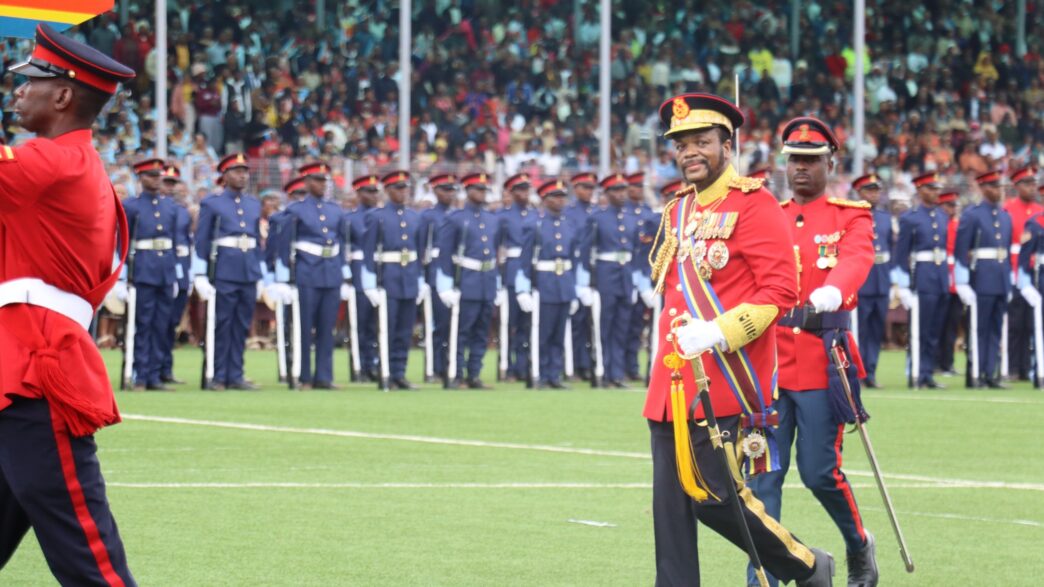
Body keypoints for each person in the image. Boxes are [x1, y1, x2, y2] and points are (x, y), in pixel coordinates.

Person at [645, 93, 832, 586]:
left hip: (723, 377)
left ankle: (808, 565)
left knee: (716, 501)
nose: (690, 152)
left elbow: (780, 291)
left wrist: (718, 331)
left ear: (727, 145)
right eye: (682, 144)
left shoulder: (756, 204)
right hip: (672, 383)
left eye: (702, 142)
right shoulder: (677, 211)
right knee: (670, 511)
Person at [0, 23, 137, 584]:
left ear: (62, 95)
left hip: (35, 368)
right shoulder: (69, 166)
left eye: (28, 82)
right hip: (21, 366)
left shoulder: (50, 164)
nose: (16, 91)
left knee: (88, 559)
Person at [748, 117, 877, 587]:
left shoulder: (850, 214)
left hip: (823, 362)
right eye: (794, 160)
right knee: (764, 479)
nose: (800, 169)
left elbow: (856, 259)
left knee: (820, 473)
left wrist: (832, 291)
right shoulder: (768, 213)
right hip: (768, 366)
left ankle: (859, 544)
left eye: (811, 160)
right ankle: (764, 574)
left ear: (830, 162)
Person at [268, 162, 350, 389]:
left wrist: (344, 273)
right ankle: (303, 375)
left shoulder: (335, 210)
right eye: (317, 179)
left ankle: (324, 376)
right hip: (306, 273)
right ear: (306, 181)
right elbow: (284, 245)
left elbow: (342, 243)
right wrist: (283, 277)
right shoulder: (296, 210)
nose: (322, 184)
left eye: (324, 180)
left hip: (330, 272)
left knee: (326, 327)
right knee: (303, 327)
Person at [192, 153, 265, 390]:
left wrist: (260, 272)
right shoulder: (212, 203)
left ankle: (235, 373)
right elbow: (202, 240)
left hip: (247, 270)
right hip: (223, 269)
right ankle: (216, 373)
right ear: (224, 175)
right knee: (221, 323)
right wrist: (201, 273)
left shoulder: (254, 203)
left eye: (244, 171)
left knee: (241, 324)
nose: (242, 175)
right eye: (236, 171)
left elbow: (256, 240)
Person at [116, 158, 184, 391]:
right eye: (151, 176)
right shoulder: (131, 206)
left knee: (161, 324)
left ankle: (154, 376)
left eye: (158, 176)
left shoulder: (170, 207)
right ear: (140, 178)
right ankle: (139, 374)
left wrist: (176, 273)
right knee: (142, 324)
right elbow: (121, 242)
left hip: (165, 270)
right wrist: (123, 274)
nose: (156, 180)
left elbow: (174, 242)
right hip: (142, 269)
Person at [436, 172, 503, 389]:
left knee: (481, 331)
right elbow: (445, 253)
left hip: (487, 280)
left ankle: (474, 373)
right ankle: (455, 374)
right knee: (460, 331)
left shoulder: (492, 219)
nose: (482, 193)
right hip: (466, 280)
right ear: (467, 190)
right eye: (478, 189)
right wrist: (445, 284)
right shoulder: (455, 219)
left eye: (484, 190)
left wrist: (497, 282)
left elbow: (494, 252)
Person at [361, 171, 428, 390]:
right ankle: (384, 371)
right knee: (386, 328)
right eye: (398, 188)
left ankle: (399, 372)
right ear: (388, 190)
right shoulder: (377, 216)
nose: (403, 192)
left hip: (408, 276)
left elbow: (418, 251)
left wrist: (420, 278)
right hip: (387, 276)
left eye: (405, 188)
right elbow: (369, 250)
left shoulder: (414, 217)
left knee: (404, 329)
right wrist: (369, 281)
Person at [515, 179, 582, 388]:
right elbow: (524, 260)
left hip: (564, 284)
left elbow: (574, 259)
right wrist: (522, 289)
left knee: (558, 334)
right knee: (542, 333)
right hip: (544, 284)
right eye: (555, 196)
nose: (560, 201)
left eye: (563, 196)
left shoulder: (569, 224)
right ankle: (539, 373)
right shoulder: (534, 224)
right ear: (545, 199)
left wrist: (575, 289)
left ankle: (554, 374)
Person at [579, 173, 642, 388]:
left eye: (623, 190)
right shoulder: (597, 217)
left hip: (624, 277)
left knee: (621, 327)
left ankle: (617, 373)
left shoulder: (631, 217)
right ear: (606, 194)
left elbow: (635, 251)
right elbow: (586, 250)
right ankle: (603, 371)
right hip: (605, 277)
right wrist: (586, 281)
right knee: (603, 327)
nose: (621, 194)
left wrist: (634, 280)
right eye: (616, 190)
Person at [954, 171, 1013, 388]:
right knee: (979, 328)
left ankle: (990, 372)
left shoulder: (1005, 215)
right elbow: (962, 251)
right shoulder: (973, 215)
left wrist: (1010, 278)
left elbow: (1005, 250)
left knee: (996, 328)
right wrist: (962, 281)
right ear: (984, 188)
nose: (1000, 190)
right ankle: (976, 373)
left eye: (1000, 186)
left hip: (1000, 278)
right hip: (981, 279)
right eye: (995, 186)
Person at [895, 171, 950, 388]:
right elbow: (901, 256)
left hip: (940, 277)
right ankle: (916, 370)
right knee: (921, 329)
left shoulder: (941, 216)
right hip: (923, 278)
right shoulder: (910, 218)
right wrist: (904, 285)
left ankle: (927, 372)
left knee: (935, 330)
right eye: (931, 188)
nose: (935, 193)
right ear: (919, 190)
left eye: (937, 189)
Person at [852, 173, 892, 388]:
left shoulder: (885, 217)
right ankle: (858, 372)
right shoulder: (852, 213)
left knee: (876, 330)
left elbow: (890, 248)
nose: (874, 194)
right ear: (859, 192)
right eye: (869, 190)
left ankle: (872, 371)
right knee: (860, 330)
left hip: (881, 279)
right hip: (862, 281)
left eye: (876, 190)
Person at [419, 173, 459, 381]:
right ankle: (432, 367)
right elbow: (422, 247)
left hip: (453, 271)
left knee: (450, 324)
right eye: (445, 189)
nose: (449, 194)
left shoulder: (457, 214)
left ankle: (447, 366)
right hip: (434, 271)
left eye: (452, 190)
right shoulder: (428, 216)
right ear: (435, 191)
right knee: (435, 323)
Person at [1004, 166, 1041, 381]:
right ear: (1017, 186)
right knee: (1015, 323)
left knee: (1032, 322)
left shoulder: (1038, 210)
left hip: (1035, 272)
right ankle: (1014, 367)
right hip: (1015, 271)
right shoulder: (1008, 210)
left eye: (1033, 183)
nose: (1032, 188)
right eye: (1027, 184)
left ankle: (1030, 367)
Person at [344, 175, 382, 381]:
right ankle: (358, 367)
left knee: (376, 324)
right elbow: (346, 248)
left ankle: (374, 364)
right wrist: (347, 277)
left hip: (379, 270)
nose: (373, 195)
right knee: (360, 321)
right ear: (359, 194)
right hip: (358, 270)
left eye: (375, 191)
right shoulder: (350, 219)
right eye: (368, 191)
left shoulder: (382, 216)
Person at [499, 173, 535, 382]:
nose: (524, 194)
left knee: (526, 325)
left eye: (526, 189)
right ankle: (507, 366)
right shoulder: (503, 217)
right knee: (509, 323)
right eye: (519, 190)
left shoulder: (535, 215)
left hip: (531, 272)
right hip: (511, 270)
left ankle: (522, 365)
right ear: (511, 193)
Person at [159, 164, 192, 385]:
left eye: (172, 183)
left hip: (180, 270)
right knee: (157, 322)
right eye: (166, 182)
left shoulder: (181, 210)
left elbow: (187, 242)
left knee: (171, 322)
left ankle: (166, 368)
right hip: (160, 268)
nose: (169, 187)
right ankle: (150, 368)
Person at [624, 172, 657, 381]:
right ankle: (622, 366)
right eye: (633, 187)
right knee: (624, 325)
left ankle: (633, 365)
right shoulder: (623, 213)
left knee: (638, 326)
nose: (637, 190)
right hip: (626, 276)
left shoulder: (648, 213)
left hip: (647, 276)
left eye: (639, 186)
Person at [566, 172, 598, 381]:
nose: (589, 191)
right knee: (576, 322)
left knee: (592, 323)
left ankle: (590, 363)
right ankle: (577, 365)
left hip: (597, 271)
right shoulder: (568, 213)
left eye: (591, 188)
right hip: (576, 270)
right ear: (576, 188)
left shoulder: (596, 211)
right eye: (585, 187)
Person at [936, 192, 962, 378]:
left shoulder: (959, 225)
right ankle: (936, 362)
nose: (952, 209)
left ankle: (948, 362)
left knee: (952, 324)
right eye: (949, 205)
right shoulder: (939, 224)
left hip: (956, 277)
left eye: (954, 205)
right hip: (940, 274)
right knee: (938, 324)